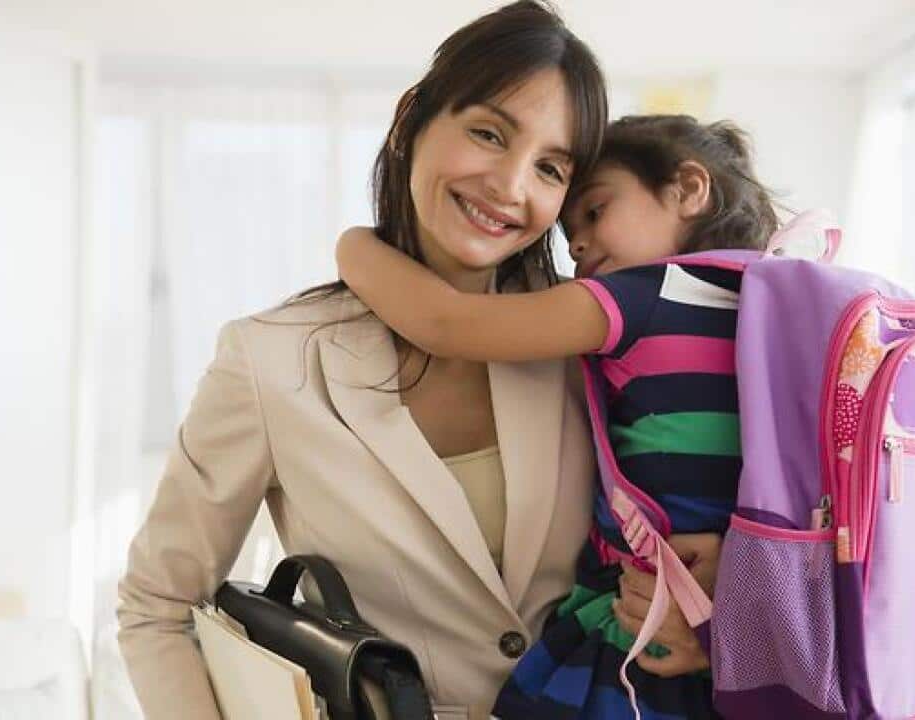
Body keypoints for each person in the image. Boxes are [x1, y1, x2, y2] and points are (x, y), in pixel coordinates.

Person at [116, 3, 613, 719]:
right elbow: (157, 604)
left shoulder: (585, 348)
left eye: (550, 167)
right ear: (413, 116)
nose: (511, 186)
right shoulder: (273, 358)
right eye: (487, 133)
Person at [335, 114, 781, 719]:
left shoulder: (640, 297)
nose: (577, 245)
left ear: (688, 189)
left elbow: (448, 324)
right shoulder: (774, 297)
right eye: (569, 231)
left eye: (595, 212)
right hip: (757, 637)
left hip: (638, 638)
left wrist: (353, 246)